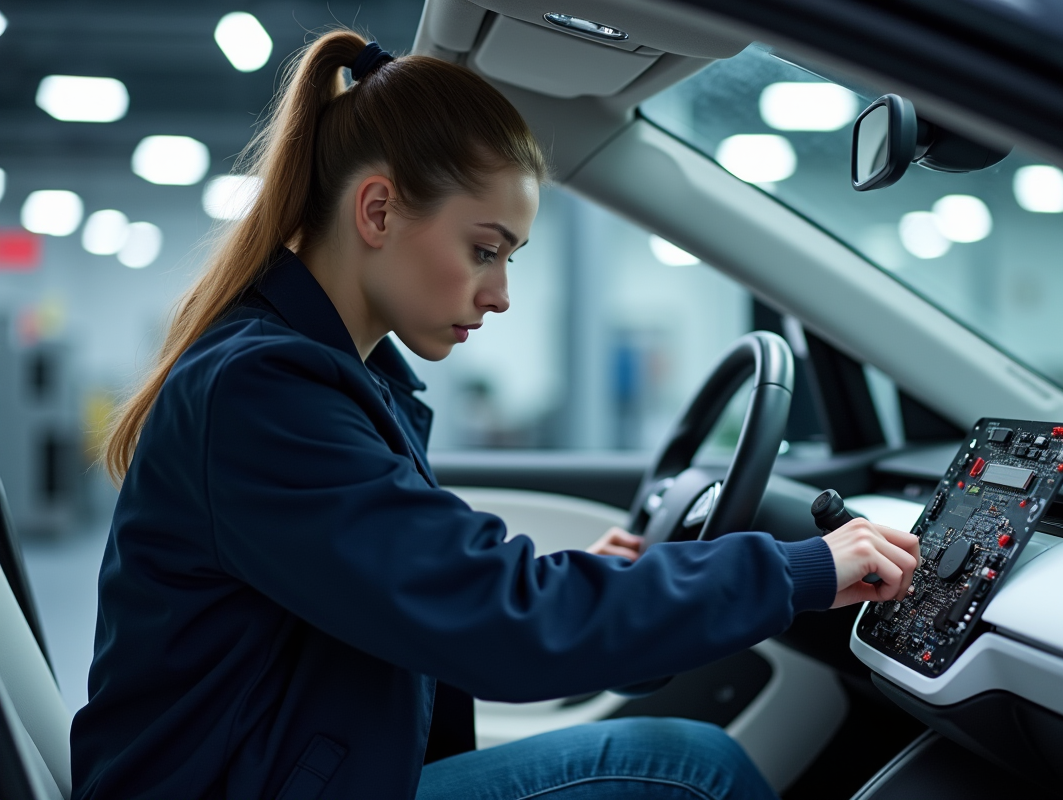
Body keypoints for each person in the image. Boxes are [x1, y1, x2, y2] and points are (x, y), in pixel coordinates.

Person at [70, 30, 921, 800]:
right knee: (694, 772)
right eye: (484, 250)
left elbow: (424, 585)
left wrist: (575, 589)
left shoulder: (321, 379)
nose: (502, 294)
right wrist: (795, 570)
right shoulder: (266, 393)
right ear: (376, 211)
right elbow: (492, 614)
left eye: (510, 258)